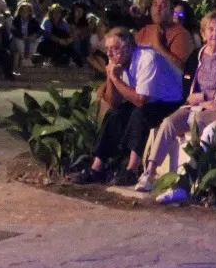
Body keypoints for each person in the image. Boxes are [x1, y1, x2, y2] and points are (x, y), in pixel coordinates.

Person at [136, 10, 216, 201]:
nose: (214, 33)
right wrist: (192, 97)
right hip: (195, 104)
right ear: (203, 33)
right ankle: (150, 172)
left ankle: (189, 178)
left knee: (200, 122)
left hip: (215, 109)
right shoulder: (196, 56)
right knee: (168, 122)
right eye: (210, 29)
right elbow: (186, 87)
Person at [79, 26, 185, 184]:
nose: (109, 54)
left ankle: (131, 169)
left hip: (171, 101)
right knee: (115, 114)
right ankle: (97, 167)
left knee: (140, 113)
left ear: (128, 46)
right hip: (150, 101)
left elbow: (140, 100)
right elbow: (114, 103)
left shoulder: (147, 58)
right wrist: (110, 77)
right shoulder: (118, 62)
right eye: (107, 49)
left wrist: (116, 79)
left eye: (114, 48)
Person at [135, 0, 196, 72]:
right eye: (155, 4)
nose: (158, 9)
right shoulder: (145, 31)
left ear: (171, 10)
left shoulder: (181, 34)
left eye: (163, 5)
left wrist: (158, 46)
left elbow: (181, 70)